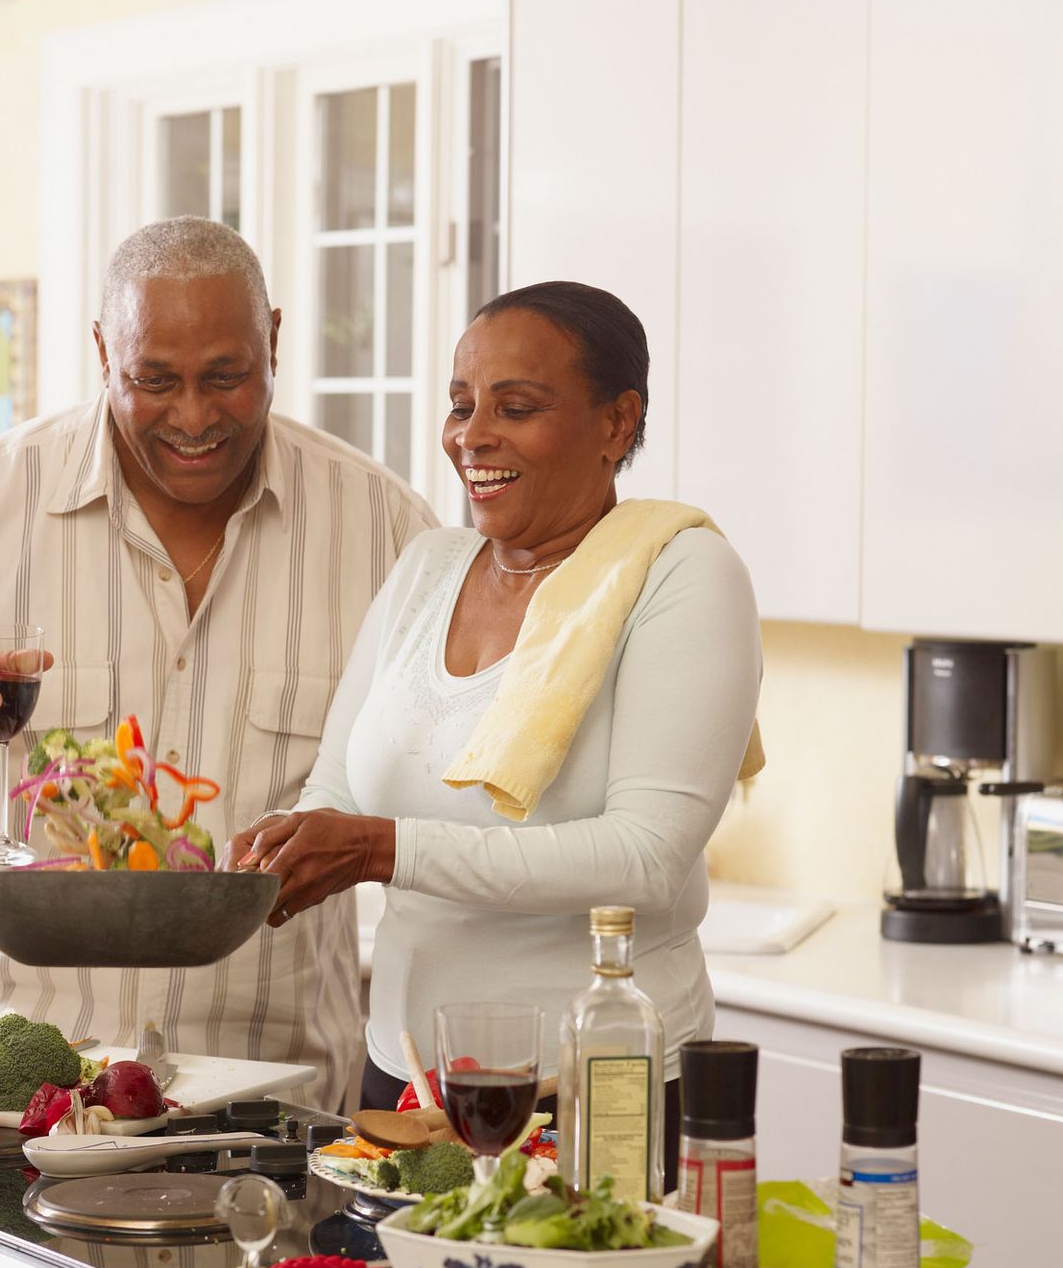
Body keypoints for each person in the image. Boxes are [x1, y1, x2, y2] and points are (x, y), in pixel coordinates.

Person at [0, 217, 436, 1110]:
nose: (195, 416)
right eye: (153, 380)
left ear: (275, 340)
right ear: (103, 352)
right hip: (5, 1100)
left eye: (227, 376)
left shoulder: (386, 532)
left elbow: (458, 801)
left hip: (268, 1100)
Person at [225, 281, 762, 1162]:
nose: (472, 436)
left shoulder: (683, 577)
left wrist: (380, 849)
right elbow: (340, 786)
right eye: (462, 404)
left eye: (517, 407)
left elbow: (647, 858)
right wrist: (264, 863)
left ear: (617, 425)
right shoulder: (428, 566)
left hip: (594, 1084)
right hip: (404, 1079)